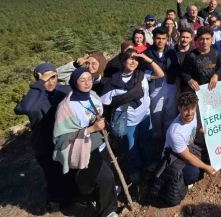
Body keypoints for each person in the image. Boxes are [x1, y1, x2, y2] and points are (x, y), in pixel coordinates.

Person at [53, 68, 118, 217]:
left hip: (101, 142)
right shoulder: (66, 107)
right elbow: (61, 137)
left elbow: (98, 113)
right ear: (75, 83)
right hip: (85, 148)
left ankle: (104, 200)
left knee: (105, 176)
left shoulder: (93, 95)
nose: (87, 83)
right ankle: (107, 212)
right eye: (82, 80)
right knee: (105, 177)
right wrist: (90, 129)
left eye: (89, 78)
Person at [14, 63, 73, 212]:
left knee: (66, 170)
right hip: (44, 144)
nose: (51, 82)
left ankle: (69, 196)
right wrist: (40, 84)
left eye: (53, 77)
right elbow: (25, 108)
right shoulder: (35, 98)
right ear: (39, 81)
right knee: (52, 174)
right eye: (46, 79)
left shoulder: (62, 91)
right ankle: (54, 201)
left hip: (63, 140)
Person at [101, 49, 164, 183]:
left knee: (146, 142)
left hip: (145, 117)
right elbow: (104, 102)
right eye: (130, 58)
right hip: (128, 120)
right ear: (123, 61)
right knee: (131, 147)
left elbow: (160, 74)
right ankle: (134, 170)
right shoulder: (113, 82)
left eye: (136, 59)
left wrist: (147, 59)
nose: (133, 62)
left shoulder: (142, 75)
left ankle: (147, 164)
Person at [163, 91, 216, 187]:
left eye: (192, 108)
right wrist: (206, 168)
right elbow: (187, 157)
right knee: (194, 173)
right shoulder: (175, 132)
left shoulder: (195, 114)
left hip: (189, 146)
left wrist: (200, 129)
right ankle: (184, 181)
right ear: (179, 108)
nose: (190, 113)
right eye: (186, 110)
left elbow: (197, 125)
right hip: (174, 155)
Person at [144, 27, 180, 139]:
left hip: (171, 88)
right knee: (156, 118)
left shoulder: (171, 52)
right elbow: (142, 72)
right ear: (153, 39)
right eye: (158, 38)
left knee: (170, 117)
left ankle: (168, 141)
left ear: (167, 39)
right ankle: (157, 141)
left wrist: (177, 89)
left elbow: (176, 69)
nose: (160, 41)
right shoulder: (147, 54)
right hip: (155, 90)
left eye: (163, 38)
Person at [181, 26, 221, 92]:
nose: (205, 42)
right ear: (197, 39)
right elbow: (184, 72)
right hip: (197, 91)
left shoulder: (216, 53)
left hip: (214, 89)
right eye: (202, 39)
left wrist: (216, 75)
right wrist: (190, 80)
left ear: (212, 39)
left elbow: (220, 69)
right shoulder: (191, 55)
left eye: (207, 39)